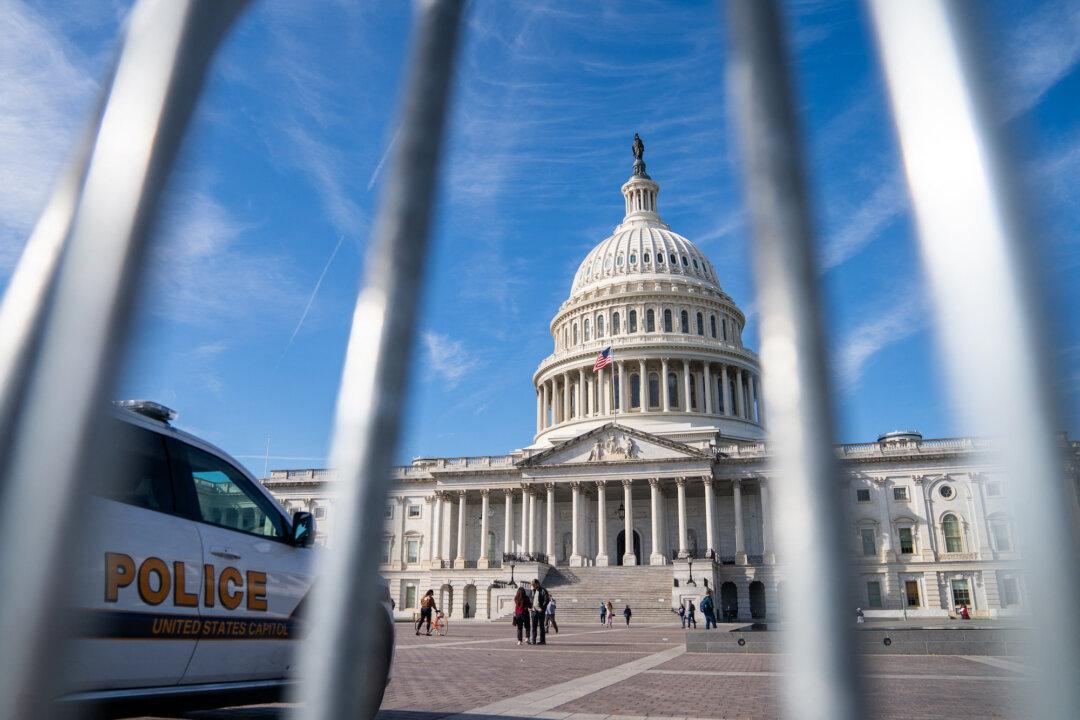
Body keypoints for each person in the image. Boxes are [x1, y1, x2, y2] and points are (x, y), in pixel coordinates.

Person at [529, 579, 550, 645]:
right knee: (533, 626)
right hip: (534, 611)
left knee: (541, 626)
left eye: (534, 585)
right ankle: (533, 640)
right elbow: (531, 599)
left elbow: (546, 600)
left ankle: (542, 641)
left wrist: (542, 608)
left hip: (540, 611)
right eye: (533, 585)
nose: (533, 586)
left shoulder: (543, 590)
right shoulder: (533, 591)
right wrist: (530, 607)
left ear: (538, 584)